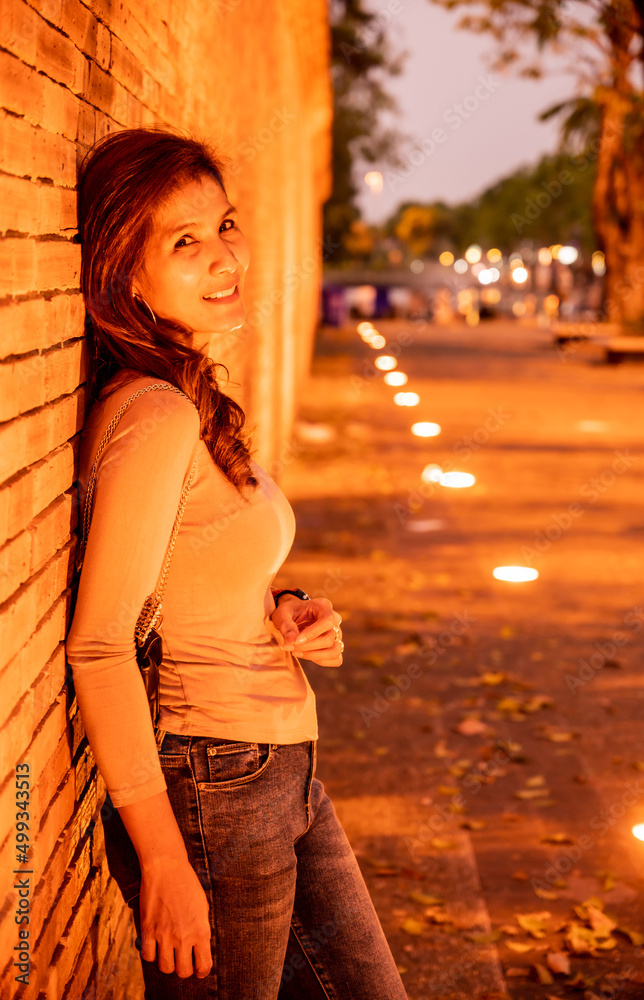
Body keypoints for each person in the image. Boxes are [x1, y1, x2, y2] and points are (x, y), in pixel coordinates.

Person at [65, 125, 408, 1000]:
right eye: (185, 242)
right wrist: (164, 862)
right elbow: (100, 645)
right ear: (124, 274)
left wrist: (281, 605)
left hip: (277, 771)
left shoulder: (187, 396)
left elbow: (186, 573)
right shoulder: (156, 417)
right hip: (212, 789)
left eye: (225, 224)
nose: (225, 256)